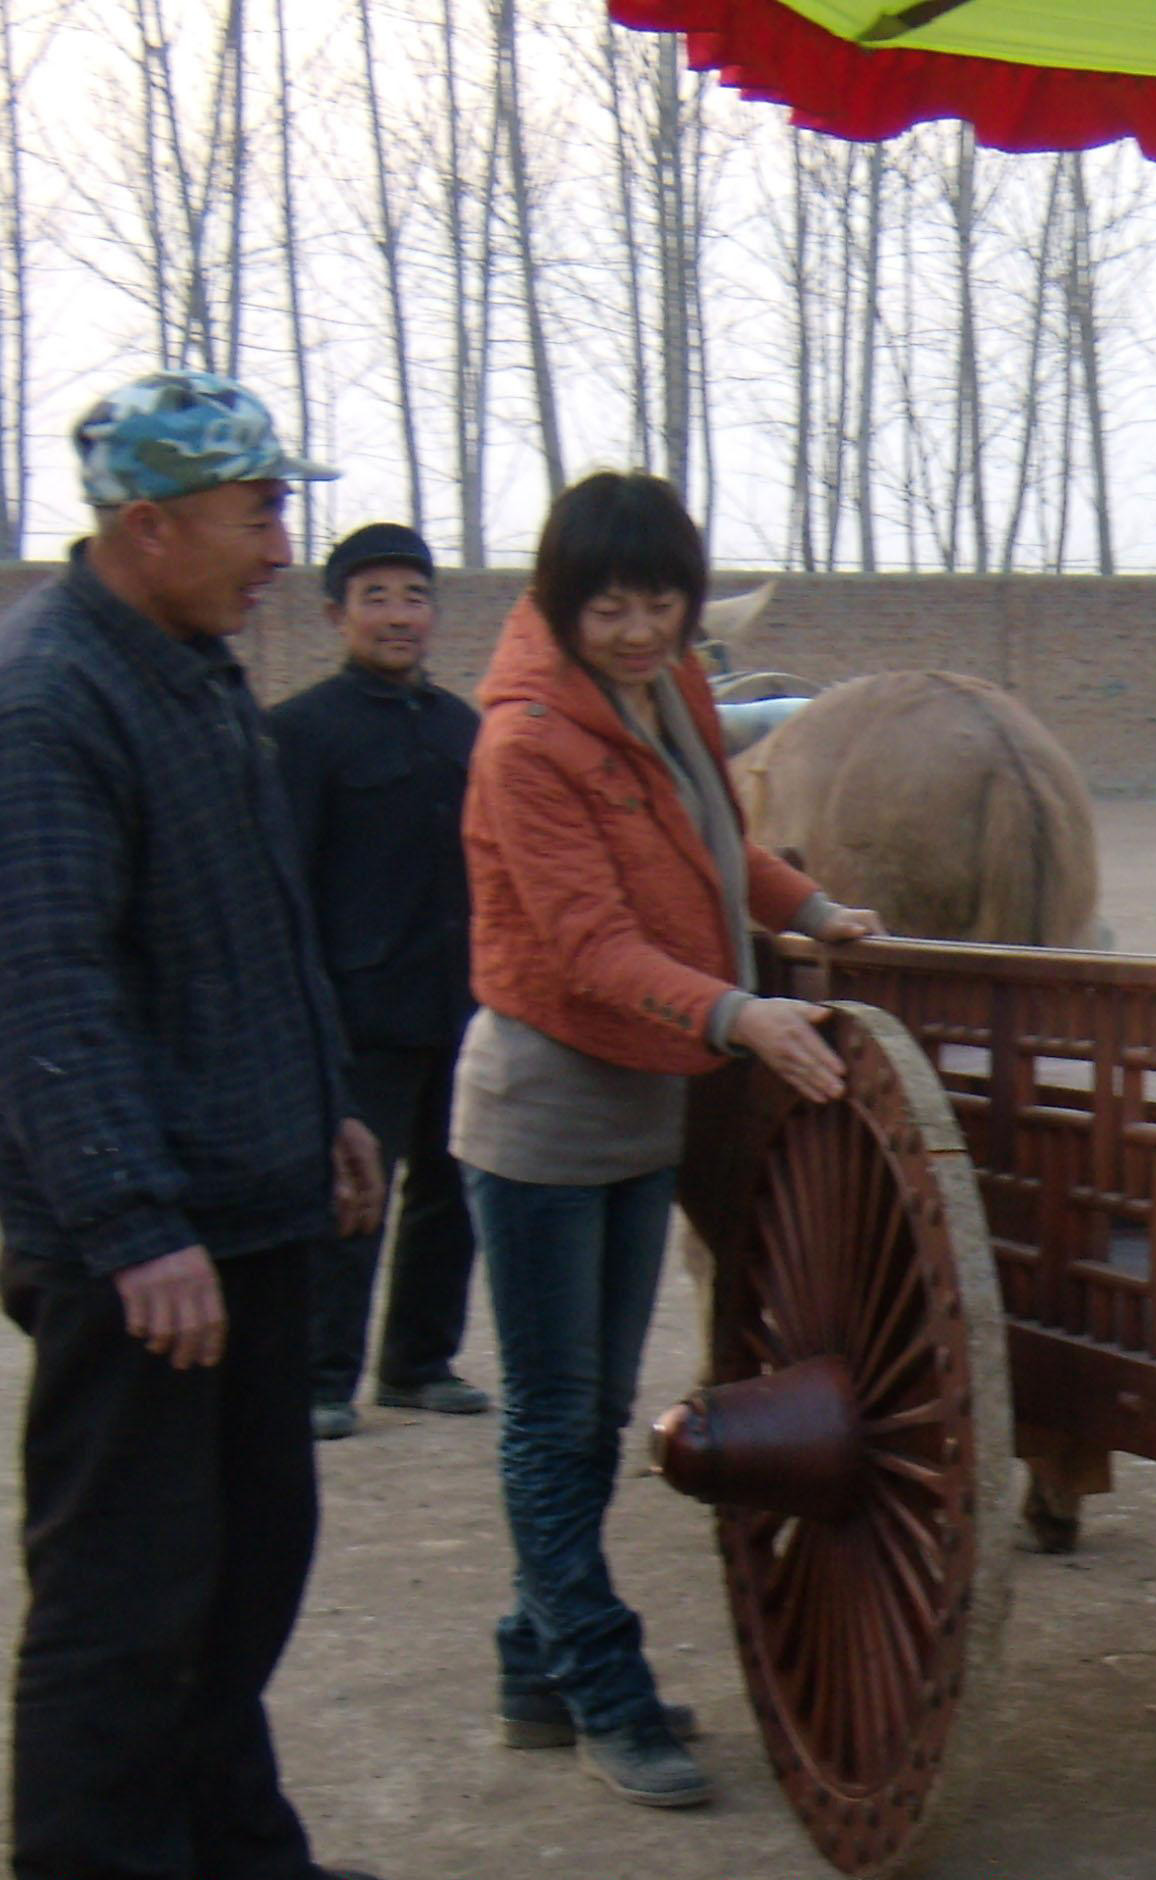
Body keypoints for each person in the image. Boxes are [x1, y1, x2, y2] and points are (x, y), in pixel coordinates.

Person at [0, 369, 388, 1880]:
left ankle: (232, 1853)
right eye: (259, 511)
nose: (284, 543)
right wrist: (132, 1223)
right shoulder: (48, 704)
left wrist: (330, 1113)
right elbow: (43, 984)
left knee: (240, 1572)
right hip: (148, 1253)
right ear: (146, 526)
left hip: (253, 1202)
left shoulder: (196, 666)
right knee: (123, 1599)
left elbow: (264, 923)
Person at [452, 470, 882, 1808]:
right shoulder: (525, 741)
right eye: (611, 606)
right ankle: (600, 1682)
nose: (640, 629)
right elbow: (589, 946)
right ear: (559, 601)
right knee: (561, 1421)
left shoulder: (669, 695)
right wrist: (742, 1011)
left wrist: (813, 908)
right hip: (543, 1110)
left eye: (662, 603)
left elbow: (713, 857)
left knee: (580, 1409)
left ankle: (534, 1659)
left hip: (646, 1096)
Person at [271, 523, 489, 1440]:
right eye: (377, 598)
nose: (399, 616)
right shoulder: (299, 733)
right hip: (357, 1010)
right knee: (349, 1195)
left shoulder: (464, 730)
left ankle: (418, 1363)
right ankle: (321, 1377)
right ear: (338, 614)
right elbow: (285, 884)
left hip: (461, 1002)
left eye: (414, 597)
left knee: (452, 1191)